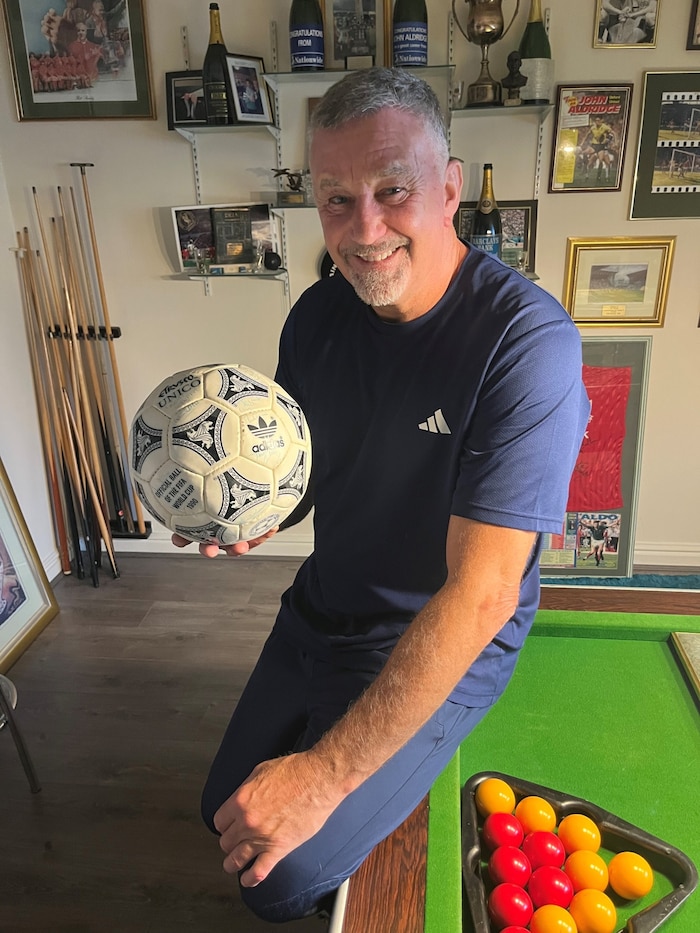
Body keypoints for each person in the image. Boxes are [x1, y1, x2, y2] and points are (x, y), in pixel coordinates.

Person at [173, 67, 590, 924]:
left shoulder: (526, 342)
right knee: (221, 811)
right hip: (320, 610)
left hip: (437, 637)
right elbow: (303, 472)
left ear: (450, 188)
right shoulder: (316, 317)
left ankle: (393, 779)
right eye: (336, 199)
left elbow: (482, 594)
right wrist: (250, 509)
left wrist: (324, 776)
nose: (364, 230)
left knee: (275, 881)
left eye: (393, 190)